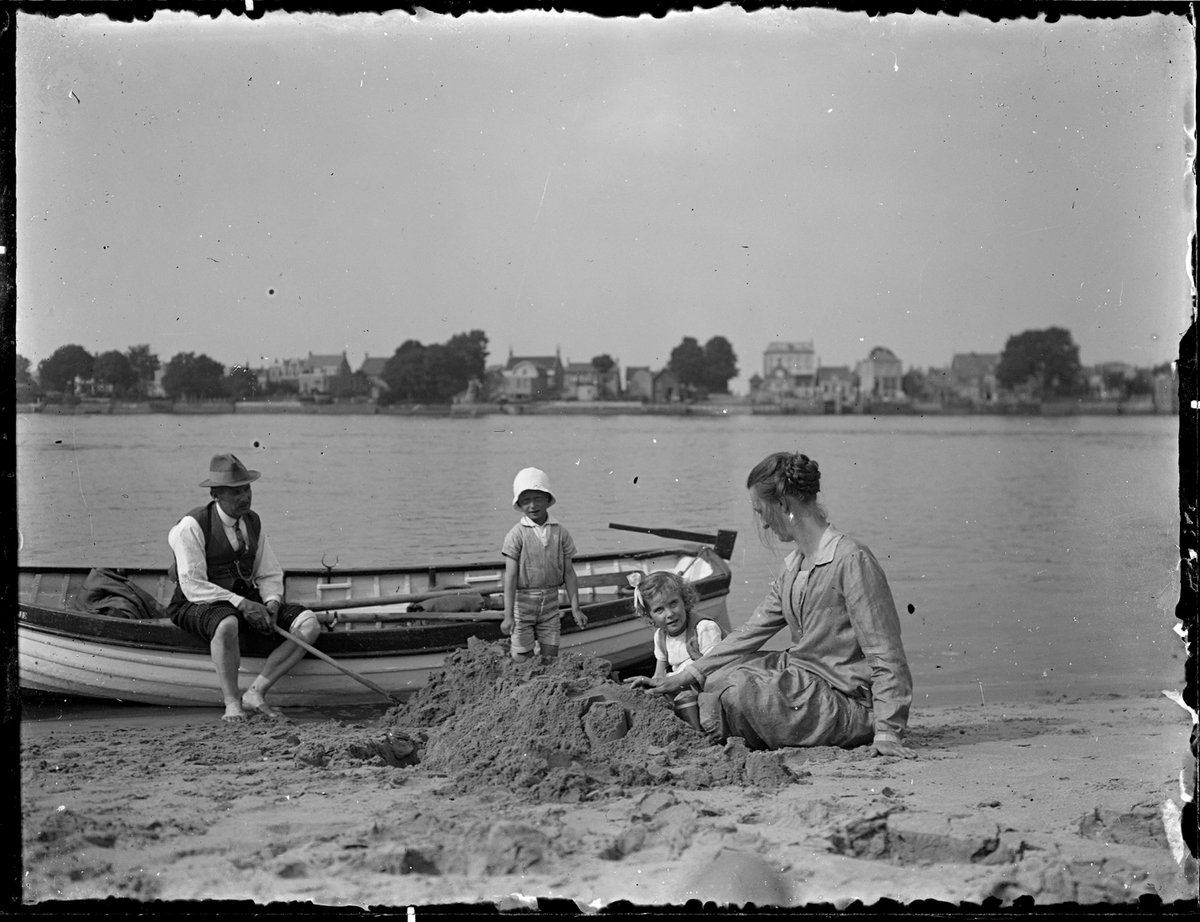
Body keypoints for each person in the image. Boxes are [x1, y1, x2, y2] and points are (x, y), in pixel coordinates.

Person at [644, 451, 915, 758]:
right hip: (804, 679)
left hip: (845, 699)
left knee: (740, 691)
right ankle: (707, 720)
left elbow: (885, 651)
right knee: (717, 676)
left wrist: (888, 731)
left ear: (784, 505)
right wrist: (685, 674)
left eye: (760, 511)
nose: (762, 523)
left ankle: (708, 725)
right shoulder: (796, 566)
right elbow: (751, 631)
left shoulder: (851, 560)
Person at [167, 453, 323, 721]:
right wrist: (242, 604)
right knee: (227, 623)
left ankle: (255, 692)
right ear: (216, 494)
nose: (245, 497)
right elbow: (193, 585)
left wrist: (272, 602)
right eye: (235, 492)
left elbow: (269, 571)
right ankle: (232, 703)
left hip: (243, 598)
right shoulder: (191, 526)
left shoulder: (252, 521)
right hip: (195, 601)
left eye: (247, 489)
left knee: (308, 623)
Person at [499, 467, 587, 661]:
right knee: (522, 657)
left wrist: (575, 608)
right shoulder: (516, 535)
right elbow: (511, 577)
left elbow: (569, 573)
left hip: (551, 603)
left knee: (551, 656)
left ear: (548, 499)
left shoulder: (560, 532)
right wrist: (508, 615)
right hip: (523, 604)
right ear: (519, 504)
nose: (532, 505)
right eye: (525, 500)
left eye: (538, 498)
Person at [623, 569, 724, 730]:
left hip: (711, 685)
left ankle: (702, 732)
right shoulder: (660, 636)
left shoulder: (703, 628)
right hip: (682, 684)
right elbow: (659, 675)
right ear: (649, 616)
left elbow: (717, 670)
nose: (669, 614)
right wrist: (649, 683)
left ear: (685, 601)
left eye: (673, 604)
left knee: (691, 703)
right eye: (659, 610)